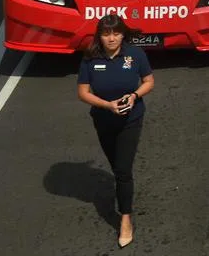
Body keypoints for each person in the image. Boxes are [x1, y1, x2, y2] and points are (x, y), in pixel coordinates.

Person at [75, 15, 154, 248]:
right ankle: (122, 188)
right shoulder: (90, 58)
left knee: (122, 170)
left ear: (123, 34)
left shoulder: (135, 55)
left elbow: (149, 81)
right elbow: (83, 92)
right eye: (107, 34)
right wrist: (107, 105)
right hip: (103, 119)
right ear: (99, 36)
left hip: (131, 119)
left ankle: (126, 219)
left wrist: (135, 95)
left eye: (116, 33)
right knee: (115, 164)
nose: (112, 39)